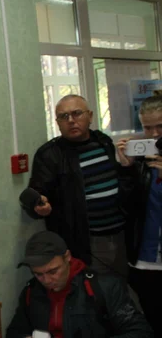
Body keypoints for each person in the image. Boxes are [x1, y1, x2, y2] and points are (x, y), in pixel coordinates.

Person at [23, 94, 132, 276]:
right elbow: (36, 195)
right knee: (95, 293)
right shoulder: (50, 154)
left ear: (90, 116)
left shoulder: (104, 142)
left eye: (76, 113)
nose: (71, 120)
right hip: (86, 242)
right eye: (64, 117)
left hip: (121, 234)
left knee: (122, 289)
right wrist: (38, 205)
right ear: (57, 122)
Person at [7, 230, 152, 338]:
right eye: (38, 274)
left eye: (53, 271)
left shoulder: (104, 286)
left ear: (67, 257)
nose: (46, 280)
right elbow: (14, 331)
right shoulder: (31, 291)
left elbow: (140, 331)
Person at [116, 95, 162, 336]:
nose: (153, 134)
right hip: (146, 260)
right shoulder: (141, 160)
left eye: (160, 126)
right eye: (147, 127)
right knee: (154, 319)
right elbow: (126, 207)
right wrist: (126, 169)